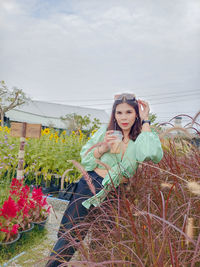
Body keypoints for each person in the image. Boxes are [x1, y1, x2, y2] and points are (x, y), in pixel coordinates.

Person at [46, 93, 163, 266]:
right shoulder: (106, 132)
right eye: (119, 112)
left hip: (116, 193)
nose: (123, 117)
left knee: (103, 241)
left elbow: (148, 154)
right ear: (114, 114)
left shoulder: (141, 137)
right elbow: (85, 159)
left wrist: (146, 121)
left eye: (129, 112)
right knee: (70, 235)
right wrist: (102, 148)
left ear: (136, 114)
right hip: (90, 186)